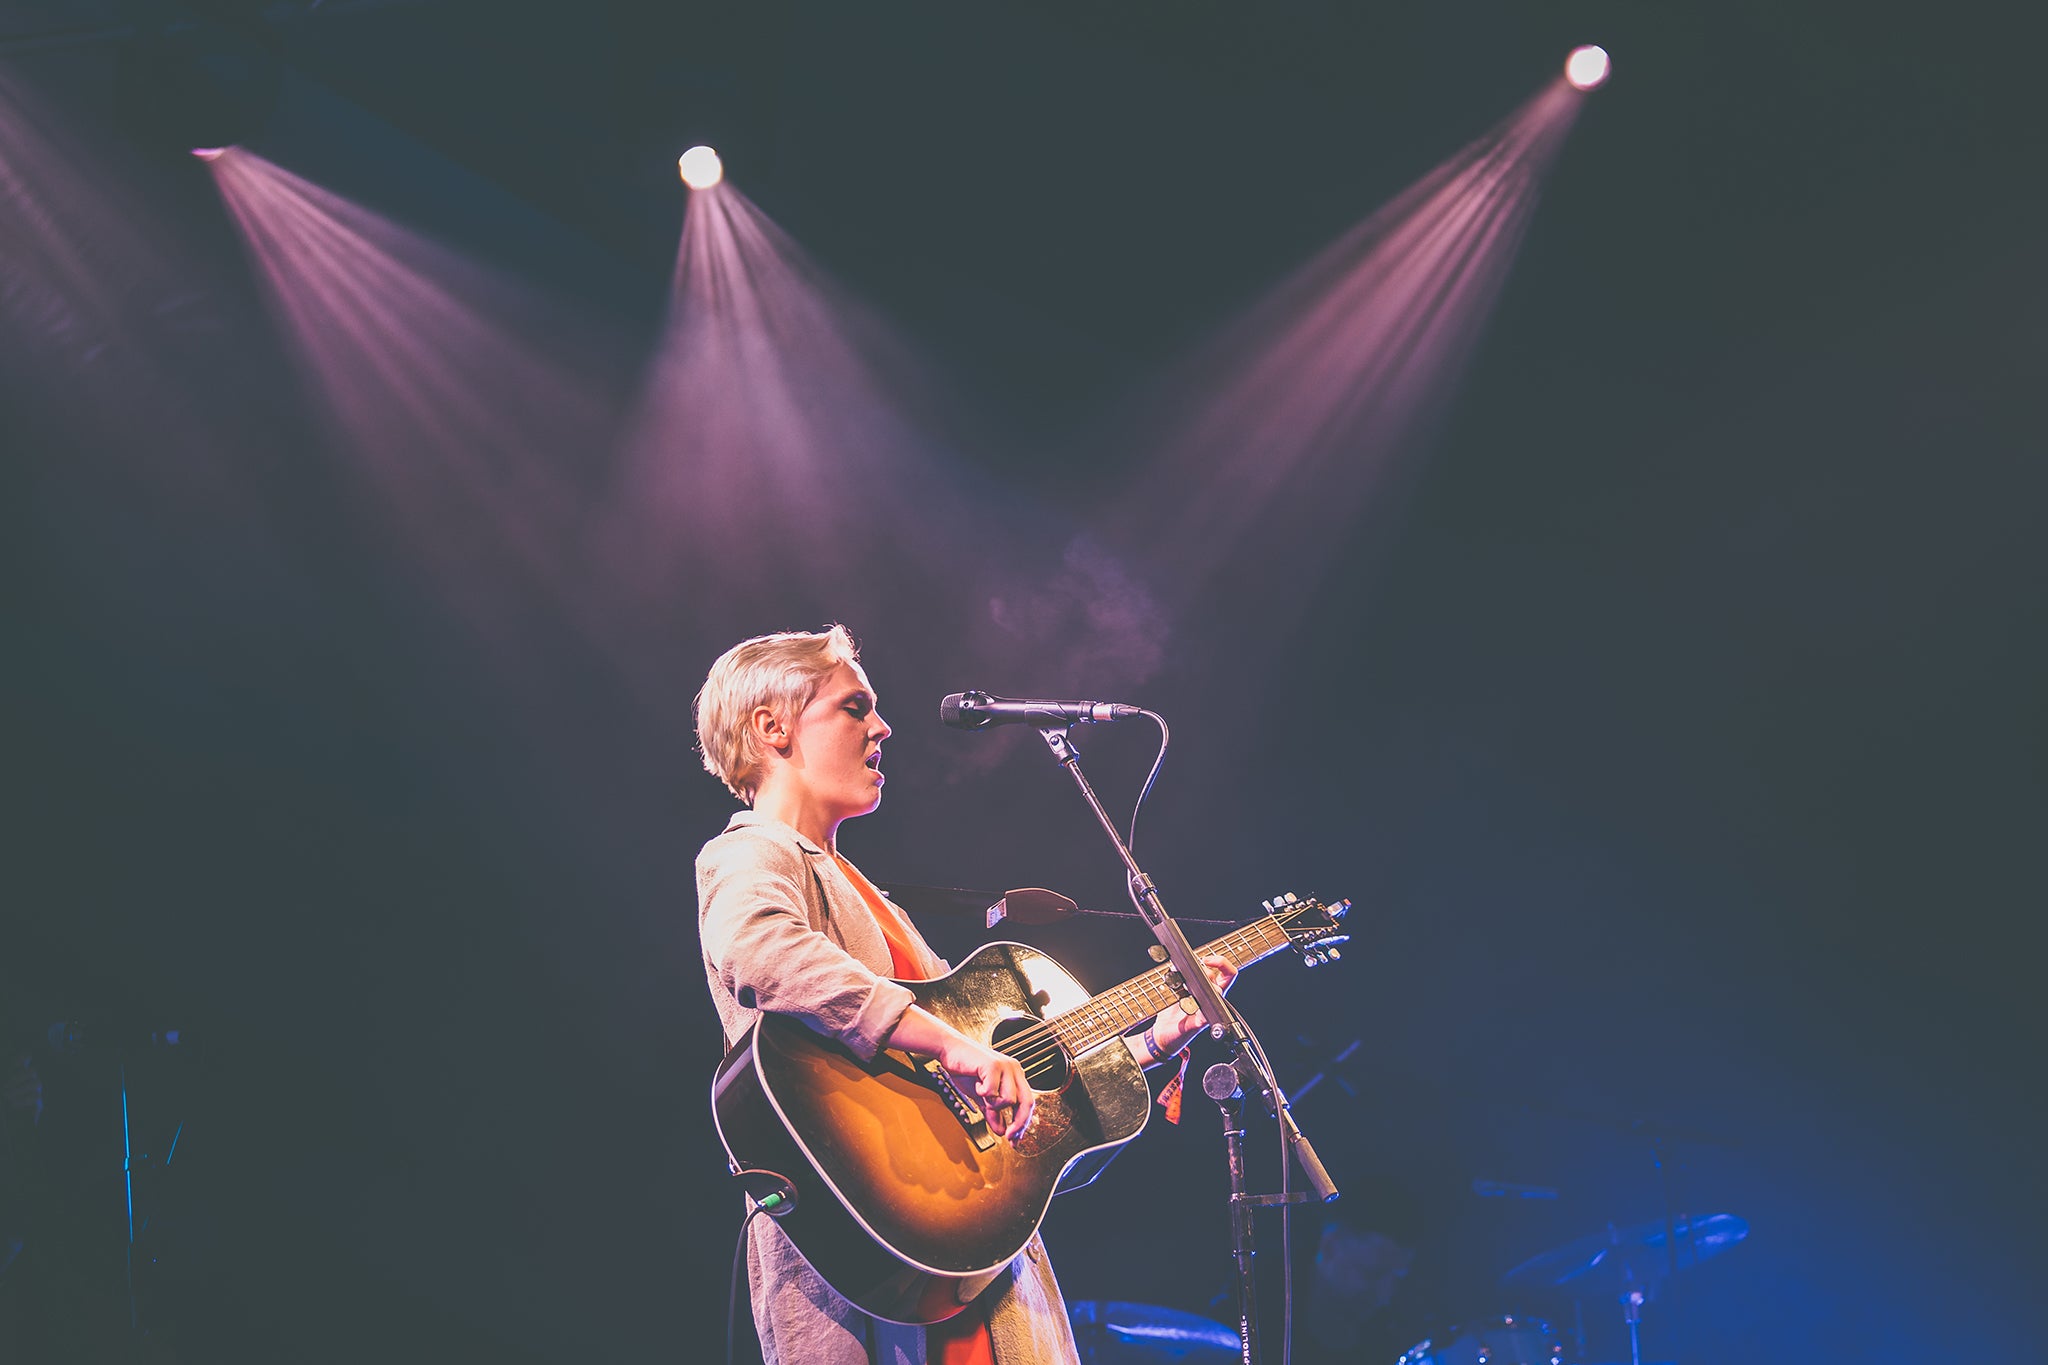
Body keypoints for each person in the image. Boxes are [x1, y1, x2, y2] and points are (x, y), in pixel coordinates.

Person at [695, 626, 1232, 1365]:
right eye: (856, 706)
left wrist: (1147, 1045)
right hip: (860, 1264)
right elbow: (759, 947)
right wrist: (949, 1042)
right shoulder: (750, 850)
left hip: (966, 1268)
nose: (883, 727)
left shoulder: (879, 904)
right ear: (773, 726)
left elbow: (1010, 1117)